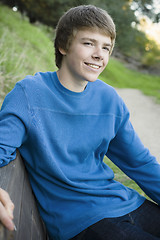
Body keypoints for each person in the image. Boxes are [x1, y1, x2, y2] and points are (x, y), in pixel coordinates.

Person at [0, 4, 160, 240]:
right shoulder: (29, 94)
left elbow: (140, 163)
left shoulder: (109, 99)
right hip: (79, 220)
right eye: (89, 43)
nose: (99, 54)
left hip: (125, 202)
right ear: (63, 46)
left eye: (106, 47)